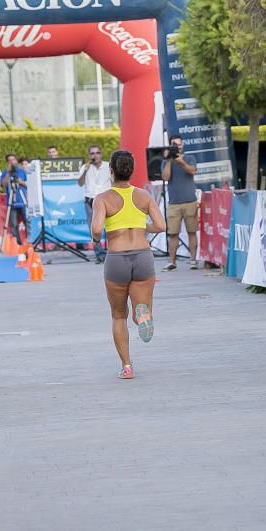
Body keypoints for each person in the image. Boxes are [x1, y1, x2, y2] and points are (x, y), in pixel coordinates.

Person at [89, 150, 167, 379]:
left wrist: (96, 239)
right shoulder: (144, 196)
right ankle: (143, 314)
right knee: (139, 309)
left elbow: (96, 229)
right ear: (131, 171)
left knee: (118, 315)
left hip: (117, 258)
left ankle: (127, 366)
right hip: (143, 256)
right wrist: (142, 228)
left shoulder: (103, 199)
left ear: (111, 171)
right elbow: (161, 226)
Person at [161, 135, 200, 271]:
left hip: (190, 201)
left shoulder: (189, 158)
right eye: (174, 144)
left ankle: (193, 260)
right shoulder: (166, 161)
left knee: (192, 231)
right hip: (174, 203)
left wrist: (181, 162)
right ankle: (172, 262)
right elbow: (165, 177)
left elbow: (192, 171)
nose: (177, 147)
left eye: (179, 144)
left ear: (182, 145)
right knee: (173, 233)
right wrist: (169, 161)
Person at [78, 145, 113, 264]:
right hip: (90, 201)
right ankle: (100, 254)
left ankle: (113, 253)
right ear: (89, 155)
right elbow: (80, 183)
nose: (95, 155)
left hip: (106, 200)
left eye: (97, 153)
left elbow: (114, 182)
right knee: (94, 230)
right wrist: (85, 170)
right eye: (92, 153)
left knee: (110, 228)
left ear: (101, 154)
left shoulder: (108, 166)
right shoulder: (85, 167)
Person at [0, 154, 28, 245]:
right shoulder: (5, 172)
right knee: (13, 224)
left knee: (27, 222)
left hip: (22, 201)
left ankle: (30, 241)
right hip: (11, 202)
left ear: (16, 161)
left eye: (13, 160)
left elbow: (28, 185)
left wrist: (21, 182)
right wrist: (8, 173)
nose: (12, 162)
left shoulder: (22, 171)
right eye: (9, 160)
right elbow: (3, 185)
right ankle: (17, 243)